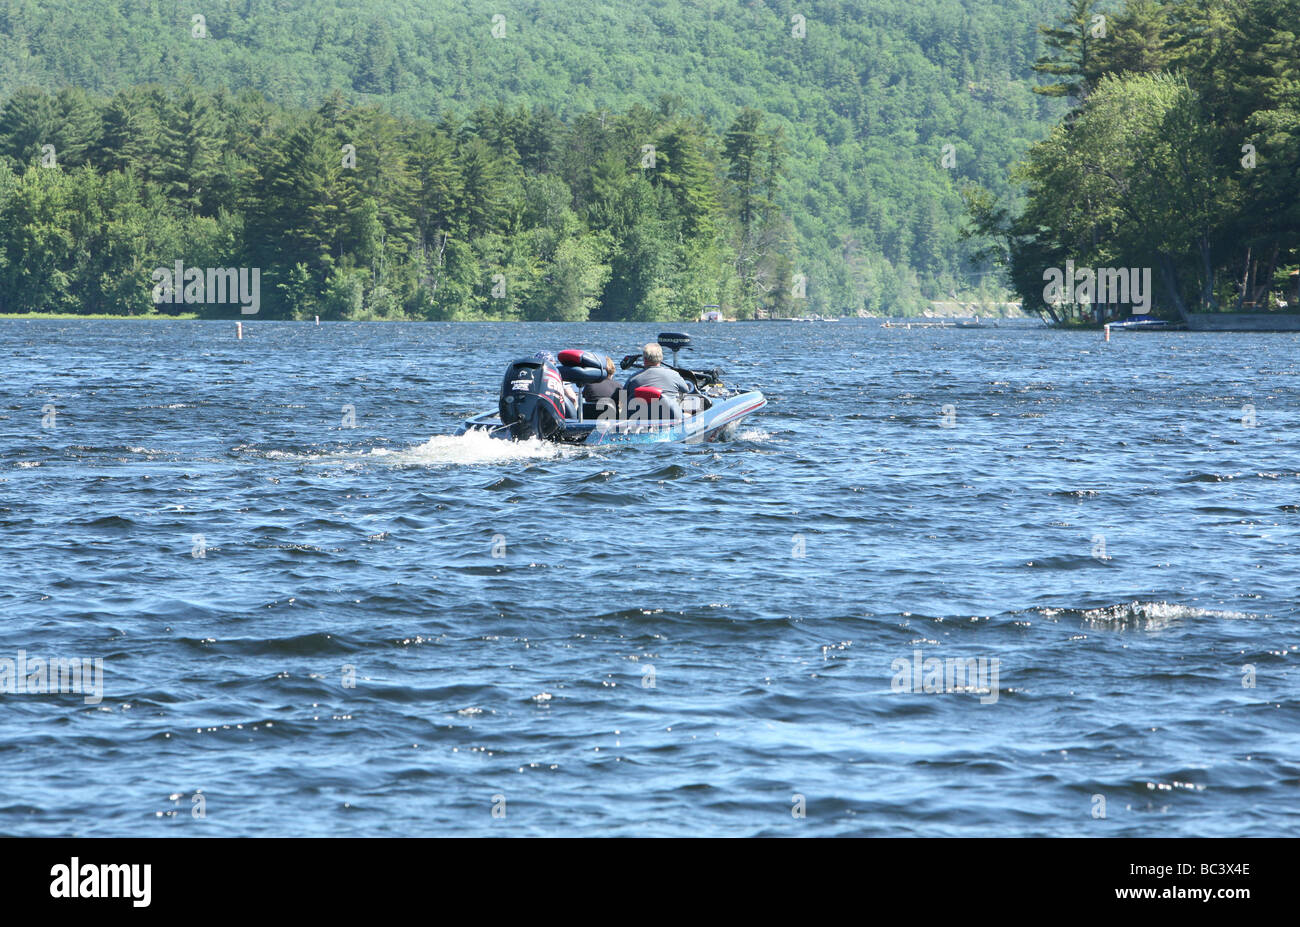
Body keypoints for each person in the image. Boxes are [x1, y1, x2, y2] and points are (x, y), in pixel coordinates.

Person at [624, 343, 692, 396]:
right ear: (661, 358)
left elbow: (622, 399)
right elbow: (687, 390)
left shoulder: (632, 379)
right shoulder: (674, 375)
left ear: (644, 359)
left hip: (641, 413)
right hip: (668, 413)